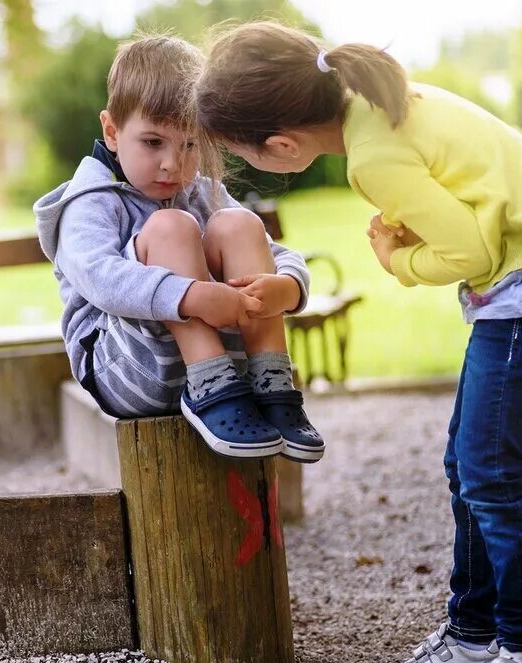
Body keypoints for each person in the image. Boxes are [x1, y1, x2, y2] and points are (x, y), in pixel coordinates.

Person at [193, 21, 522, 663]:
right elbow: (468, 193)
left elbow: (471, 251)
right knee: (467, 463)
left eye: (246, 157)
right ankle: (472, 634)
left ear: (281, 144)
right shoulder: (371, 101)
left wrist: (399, 259)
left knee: (489, 469)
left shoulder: (372, 157)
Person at [34, 34, 325, 462]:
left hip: (233, 374)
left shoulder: (201, 190)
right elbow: (99, 278)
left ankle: (272, 381)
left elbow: (272, 250)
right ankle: (211, 385)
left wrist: (289, 285)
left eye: (190, 145)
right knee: (171, 227)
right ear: (112, 131)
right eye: (153, 143)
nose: (174, 163)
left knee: (238, 223)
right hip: (128, 370)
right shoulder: (90, 202)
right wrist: (189, 296)